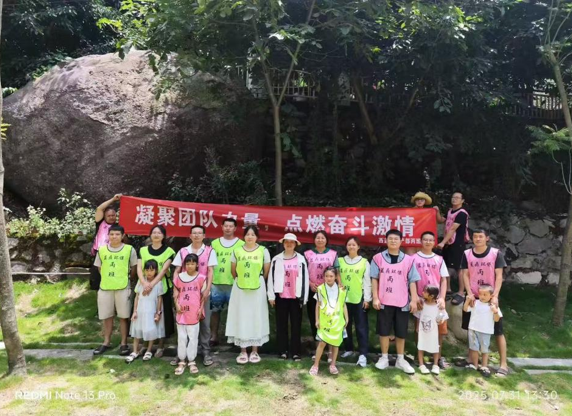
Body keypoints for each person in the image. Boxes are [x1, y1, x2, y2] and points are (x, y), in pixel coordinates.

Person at [460, 229, 509, 377]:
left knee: (498, 330)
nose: (477, 239)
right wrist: (469, 293)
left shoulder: (495, 253)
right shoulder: (467, 254)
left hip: (490, 298)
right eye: (475, 237)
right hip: (473, 298)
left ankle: (503, 364)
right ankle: (471, 360)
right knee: (471, 328)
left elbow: (499, 276)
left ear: (487, 238)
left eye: (481, 236)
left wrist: (495, 296)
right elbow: (465, 274)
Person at [371, 229, 420, 374]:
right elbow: (374, 279)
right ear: (386, 240)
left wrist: (414, 300)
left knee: (401, 331)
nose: (393, 241)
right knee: (384, 330)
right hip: (384, 300)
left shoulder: (409, 260)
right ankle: (384, 357)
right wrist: (375, 297)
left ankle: (400, 359)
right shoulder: (377, 258)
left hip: (402, 301)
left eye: (396, 239)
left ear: (401, 241)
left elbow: (412, 281)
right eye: (390, 238)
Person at [172, 225, 218, 367]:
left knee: (204, 322)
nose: (197, 235)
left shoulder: (209, 251)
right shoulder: (183, 251)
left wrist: (207, 289)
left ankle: (205, 351)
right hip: (185, 292)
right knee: (182, 322)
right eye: (194, 233)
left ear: (204, 236)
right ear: (190, 236)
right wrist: (175, 290)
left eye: (199, 233)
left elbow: (210, 271)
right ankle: (181, 353)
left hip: (201, 291)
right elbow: (177, 270)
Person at [226, 225, 271, 364]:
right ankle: (243, 350)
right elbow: (233, 271)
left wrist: (255, 280)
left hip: (257, 288)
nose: (250, 237)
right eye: (247, 234)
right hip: (240, 289)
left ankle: (255, 350)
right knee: (241, 315)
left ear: (257, 237)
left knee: (256, 315)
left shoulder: (263, 251)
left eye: (253, 234)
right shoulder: (237, 251)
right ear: (244, 236)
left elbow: (266, 271)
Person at [93, 224, 137, 356]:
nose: (114, 237)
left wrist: (128, 279)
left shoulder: (129, 249)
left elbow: (134, 267)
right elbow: (99, 267)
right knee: (107, 316)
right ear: (108, 235)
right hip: (105, 286)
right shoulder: (102, 250)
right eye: (112, 234)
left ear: (123, 236)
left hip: (123, 286)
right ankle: (106, 341)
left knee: (123, 316)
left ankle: (124, 343)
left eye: (117, 234)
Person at [268, 233, 309, 361]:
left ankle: (296, 352)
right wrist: (271, 296)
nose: (289, 244)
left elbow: (305, 279)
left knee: (296, 325)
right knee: (281, 324)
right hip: (281, 296)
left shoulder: (301, 259)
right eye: (287, 242)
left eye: (292, 242)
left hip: (296, 296)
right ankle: (282, 351)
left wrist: (304, 297)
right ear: (283, 243)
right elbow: (271, 278)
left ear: (295, 244)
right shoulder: (276, 259)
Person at [136, 225, 176, 358]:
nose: (156, 235)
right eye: (154, 232)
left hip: (161, 288)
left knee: (160, 316)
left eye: (159, 233)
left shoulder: (169, 251)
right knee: (144, 315)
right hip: (144, 287)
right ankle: (145, 344)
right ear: (150, 235)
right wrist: (144, 283)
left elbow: (164, 270)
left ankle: (160, 345)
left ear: (163, 236)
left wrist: (151, 285)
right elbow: (139, 268)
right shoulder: (142, 250)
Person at [413, 231, 449, 369]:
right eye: (425, 239)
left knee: (439, 329)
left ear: (434, 242)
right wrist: (415, 297)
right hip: (421, 299)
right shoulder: (413, 258)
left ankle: (438, 357)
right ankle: (419, 356)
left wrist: (442, 298)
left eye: (430, 240)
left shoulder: (439, 259)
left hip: (436, 301)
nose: (428, 242)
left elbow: (444, 279)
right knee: (419, 329)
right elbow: (410, 280)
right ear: (420, 241)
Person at [303, 231, 339, 361]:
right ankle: (318, 349)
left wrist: (338, 286)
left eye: (322, 238)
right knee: (315, 320)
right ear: (314, 240)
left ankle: (330, 352)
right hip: (313, 290)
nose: (320, 240)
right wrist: (310, 283)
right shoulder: (307, 254)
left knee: (329, 320)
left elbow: (337, 271)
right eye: (317, 238)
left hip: (328, 291)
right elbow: (303, 272)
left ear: (326, 240)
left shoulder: (333, 254)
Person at [210, 218, 245, 347]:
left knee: (235, 312)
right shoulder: (214, 243)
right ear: (222, 227)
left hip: (234, 283)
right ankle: (213, 336)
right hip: (216, 282)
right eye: (226, 226)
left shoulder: (241, 244)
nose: (228, 228)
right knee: (215, 311)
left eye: (231, 226)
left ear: (235, 228)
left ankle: (235, 337)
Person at [338, 236, 371, 367]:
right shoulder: (340, 261)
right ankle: (348, 348)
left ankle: (363, 353)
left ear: (358, 247)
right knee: (345, 324)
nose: (351, 247)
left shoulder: (364, 262)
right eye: (349, 244)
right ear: (346, 247)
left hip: (358, 298)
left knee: (361, 326)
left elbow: (367, 281)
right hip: (343, 298)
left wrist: (367, 299)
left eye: (354, 245)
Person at [309, 267, 348, 376]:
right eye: (326, 276)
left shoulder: (341, 290)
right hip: (325, 320)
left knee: (336, 344)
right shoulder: (321, 289)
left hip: (337, 320)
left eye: (331, 276)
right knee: (322, 342)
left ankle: (333, 364)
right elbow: (317, 305)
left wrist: (346, 318)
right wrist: (317, 319)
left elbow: (343, 304)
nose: (329, 278)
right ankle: (315, 365)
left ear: (335, 277)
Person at [173, 254, 207, 375]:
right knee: (181, 337)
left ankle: (192, 360)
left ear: (197, 264)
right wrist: (177, 305)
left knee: (193, 337)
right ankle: (182, 360)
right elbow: (175, 293)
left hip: (194, 311)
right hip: (181, 312)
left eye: (192, 263)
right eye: (187, 264)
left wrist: (201, 309)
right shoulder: (179, 277)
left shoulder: (201, 278)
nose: (190, 266)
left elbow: (203, 296)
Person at [126, 260, 165, 363]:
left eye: (151, 270)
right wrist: (135, 311)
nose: (149, 272)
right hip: (140, 310)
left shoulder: (158, 283)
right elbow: (137, 297)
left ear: (156, 271)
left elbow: (159, 299)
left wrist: (158, 312)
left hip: (151, 310)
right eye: (147, 270)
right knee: (137, 330)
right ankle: (135, 351)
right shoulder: (141, 282)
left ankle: (149, 350)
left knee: (151, 329)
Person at [435, 191, 470, 305]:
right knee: (445, 266)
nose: (454, 199)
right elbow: (440, 220)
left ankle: (461, 292)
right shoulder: (450, 211)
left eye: (457, 197)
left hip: (457, 243)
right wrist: (436, 211)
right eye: (453, 197)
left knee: (460, 268)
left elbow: (452, 229)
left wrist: (442, 242)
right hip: (448, 243)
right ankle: (448, 289)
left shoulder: (462, 214)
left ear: (462, 200)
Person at [463, 284, 502, 378]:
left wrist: (495, 311)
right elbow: (465, 309)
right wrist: (467, 301)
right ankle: (475, 365)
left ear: (491, 296)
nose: (482, 296)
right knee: (474, 348)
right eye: (480, 294)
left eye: (485, 294)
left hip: (486, 331)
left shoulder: (493, 306)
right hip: (473, 329)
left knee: (484, 349)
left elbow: (496, 319)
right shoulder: (475, 303)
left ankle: (484, 366)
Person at [90, 194, 121, 291]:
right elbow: (99, 209)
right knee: (98, 282)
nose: (111, 217)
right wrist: (113, 199)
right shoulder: (100, 223)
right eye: (109, 216)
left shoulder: (119, 227)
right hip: (99, 255)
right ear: (104, 216)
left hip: (114, 256)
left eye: (113, 215)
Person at [415, 285, 448, 375]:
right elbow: (418, 316)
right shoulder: (422, 304)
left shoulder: (438, 306)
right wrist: (417, 326)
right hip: (422, 331)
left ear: (432, 296)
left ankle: (435, 365)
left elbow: (443, 316)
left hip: (433, 331)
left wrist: (440, 320)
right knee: (421, 345)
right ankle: (421, 364)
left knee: (435, 346)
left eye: (425, 292)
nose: (423, 293)